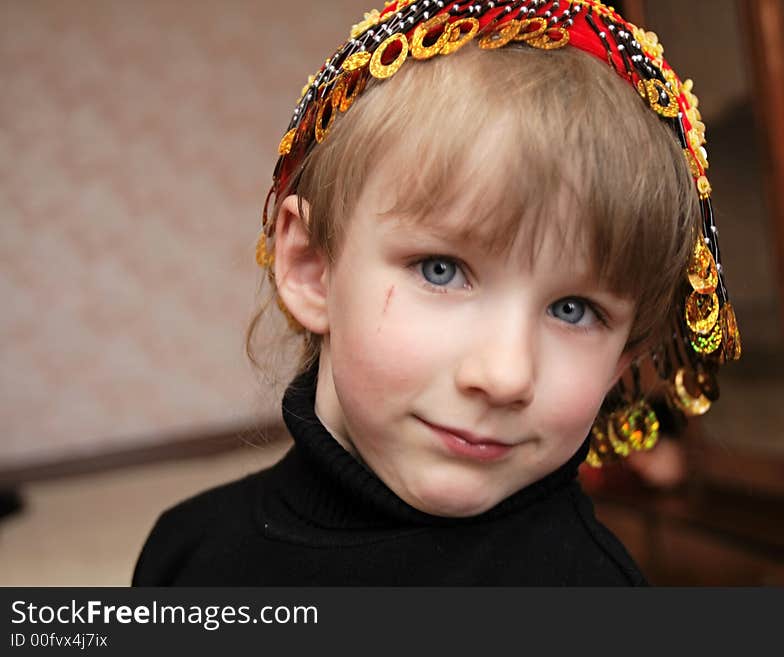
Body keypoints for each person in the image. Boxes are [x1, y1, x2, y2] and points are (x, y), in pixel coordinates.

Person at [132, 0, 741, 586]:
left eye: (572, 310)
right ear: (313, 266)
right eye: (442, 270)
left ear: (622, 362)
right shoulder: (187, 550)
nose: (505, 376)